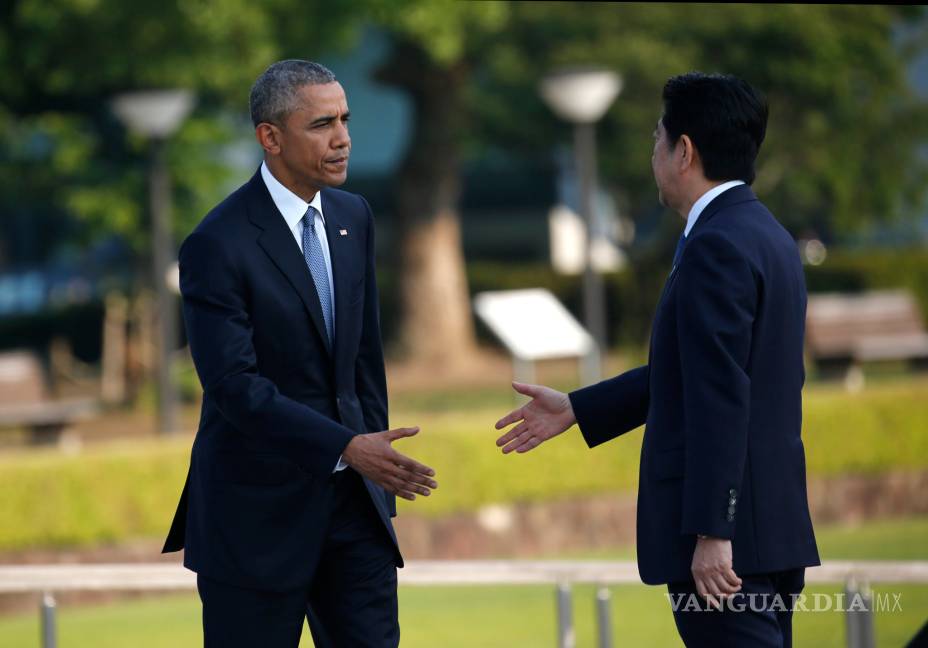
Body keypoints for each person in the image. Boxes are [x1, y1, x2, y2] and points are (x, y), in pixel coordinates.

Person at [494, 72, 819, 648]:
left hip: (726, 550)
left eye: (656, 140)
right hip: (770, 528)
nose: (653, 155)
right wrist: (579, 407)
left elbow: (721, 396)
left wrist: (712, 531)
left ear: (685, 151)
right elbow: (700, 371)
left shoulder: (715, 245)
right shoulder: (766, 233)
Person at [162, 60, 437, 648]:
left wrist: (376, 484)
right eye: (321, 124)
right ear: (271, 137)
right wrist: (345, 447)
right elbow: (235, 387)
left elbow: (363, 365)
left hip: (355, 514)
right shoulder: (216, 243)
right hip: (254, 518)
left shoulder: (352, 216)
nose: (342, 138)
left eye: (345, 119)